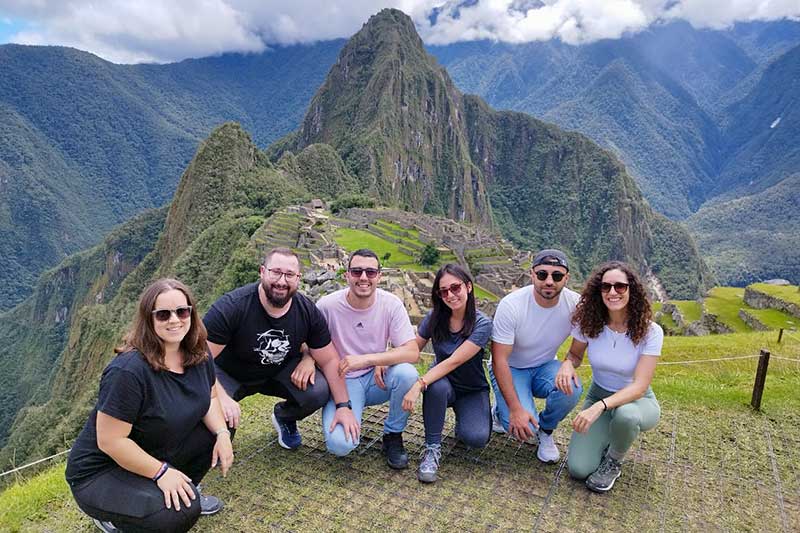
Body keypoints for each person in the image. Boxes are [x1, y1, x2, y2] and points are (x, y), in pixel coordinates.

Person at [65, 279, 233, 533]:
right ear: (149, 319)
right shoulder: (128, 371)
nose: (174, 320)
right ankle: (122, 518)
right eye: (163, 314)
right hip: (101, 471)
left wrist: (222, 434)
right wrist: (161, 472)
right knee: (179, 514)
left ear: (191, 313)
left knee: (224, 423)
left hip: (152, 448)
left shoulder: (199, 353)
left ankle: (183, 489)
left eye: (182, 311)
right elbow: (111, 441)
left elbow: (209, 399)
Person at [203, 247, 358, 450]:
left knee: (318, 390)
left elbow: (329, 360)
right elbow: (199, 358)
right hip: (230, 374)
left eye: (289, 275)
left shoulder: (307, 311)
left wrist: (343, 406)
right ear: (262, 272)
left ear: (298, 278)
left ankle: (284, 417)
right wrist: (220, 397)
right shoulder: (231, 307)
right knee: (217, 415)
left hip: (279, 371)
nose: (282, 281)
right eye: (275, 272)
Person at [556, 261, 662, 492]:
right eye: (606, 287)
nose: (612, 292)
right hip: (599, 393)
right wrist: (566, 365)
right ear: (599, 291)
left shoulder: (650, 332)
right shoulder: (590, 323)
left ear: (631, 290)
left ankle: (614, 459)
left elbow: (640, 386)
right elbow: (574, 354)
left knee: (626, 416)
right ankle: (605, 438)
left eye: (620, 287)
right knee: (578, 469)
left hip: (636, 401)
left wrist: (600, 407)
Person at [317, 249, 420, 469]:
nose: (364, 277)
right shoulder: (327, 306)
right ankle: (336, 410)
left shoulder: (390, 304)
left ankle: (393, 434)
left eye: (370, 272)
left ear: (379, 276)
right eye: (357, 271)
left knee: (407, 374)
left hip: (377, 379)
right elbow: (308, 343)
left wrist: (372, 360)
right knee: (340, 445)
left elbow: (412, 352)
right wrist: (308, 359)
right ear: (347, 275)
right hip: (343, 382)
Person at [490, 249, 583, 463]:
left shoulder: (577, 306)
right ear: (532, 275)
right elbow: (499, 359)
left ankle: (547, 430)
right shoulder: (511, 305)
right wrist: (515, 410)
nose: (549, 281)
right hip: (510, 368)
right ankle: (500, 411)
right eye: (542, 275)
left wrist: (569, 363)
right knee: (523, 429)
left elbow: (576, 353)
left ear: (566, 278)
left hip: (544, 366)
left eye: (557, 276)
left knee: (573, 388)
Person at [402, 264, 492, 483]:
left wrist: (417, 384)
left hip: (471, 388)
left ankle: (472, 419)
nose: (450, 295)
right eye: (444, 291)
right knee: (436, 385)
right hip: (442, 383)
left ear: (468, 287)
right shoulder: (434, 317)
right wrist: (383, 361)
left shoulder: (482, 324)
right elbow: (414, 348)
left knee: (476, 438)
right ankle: (432, 448)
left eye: (455, 287)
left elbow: (455, 360)